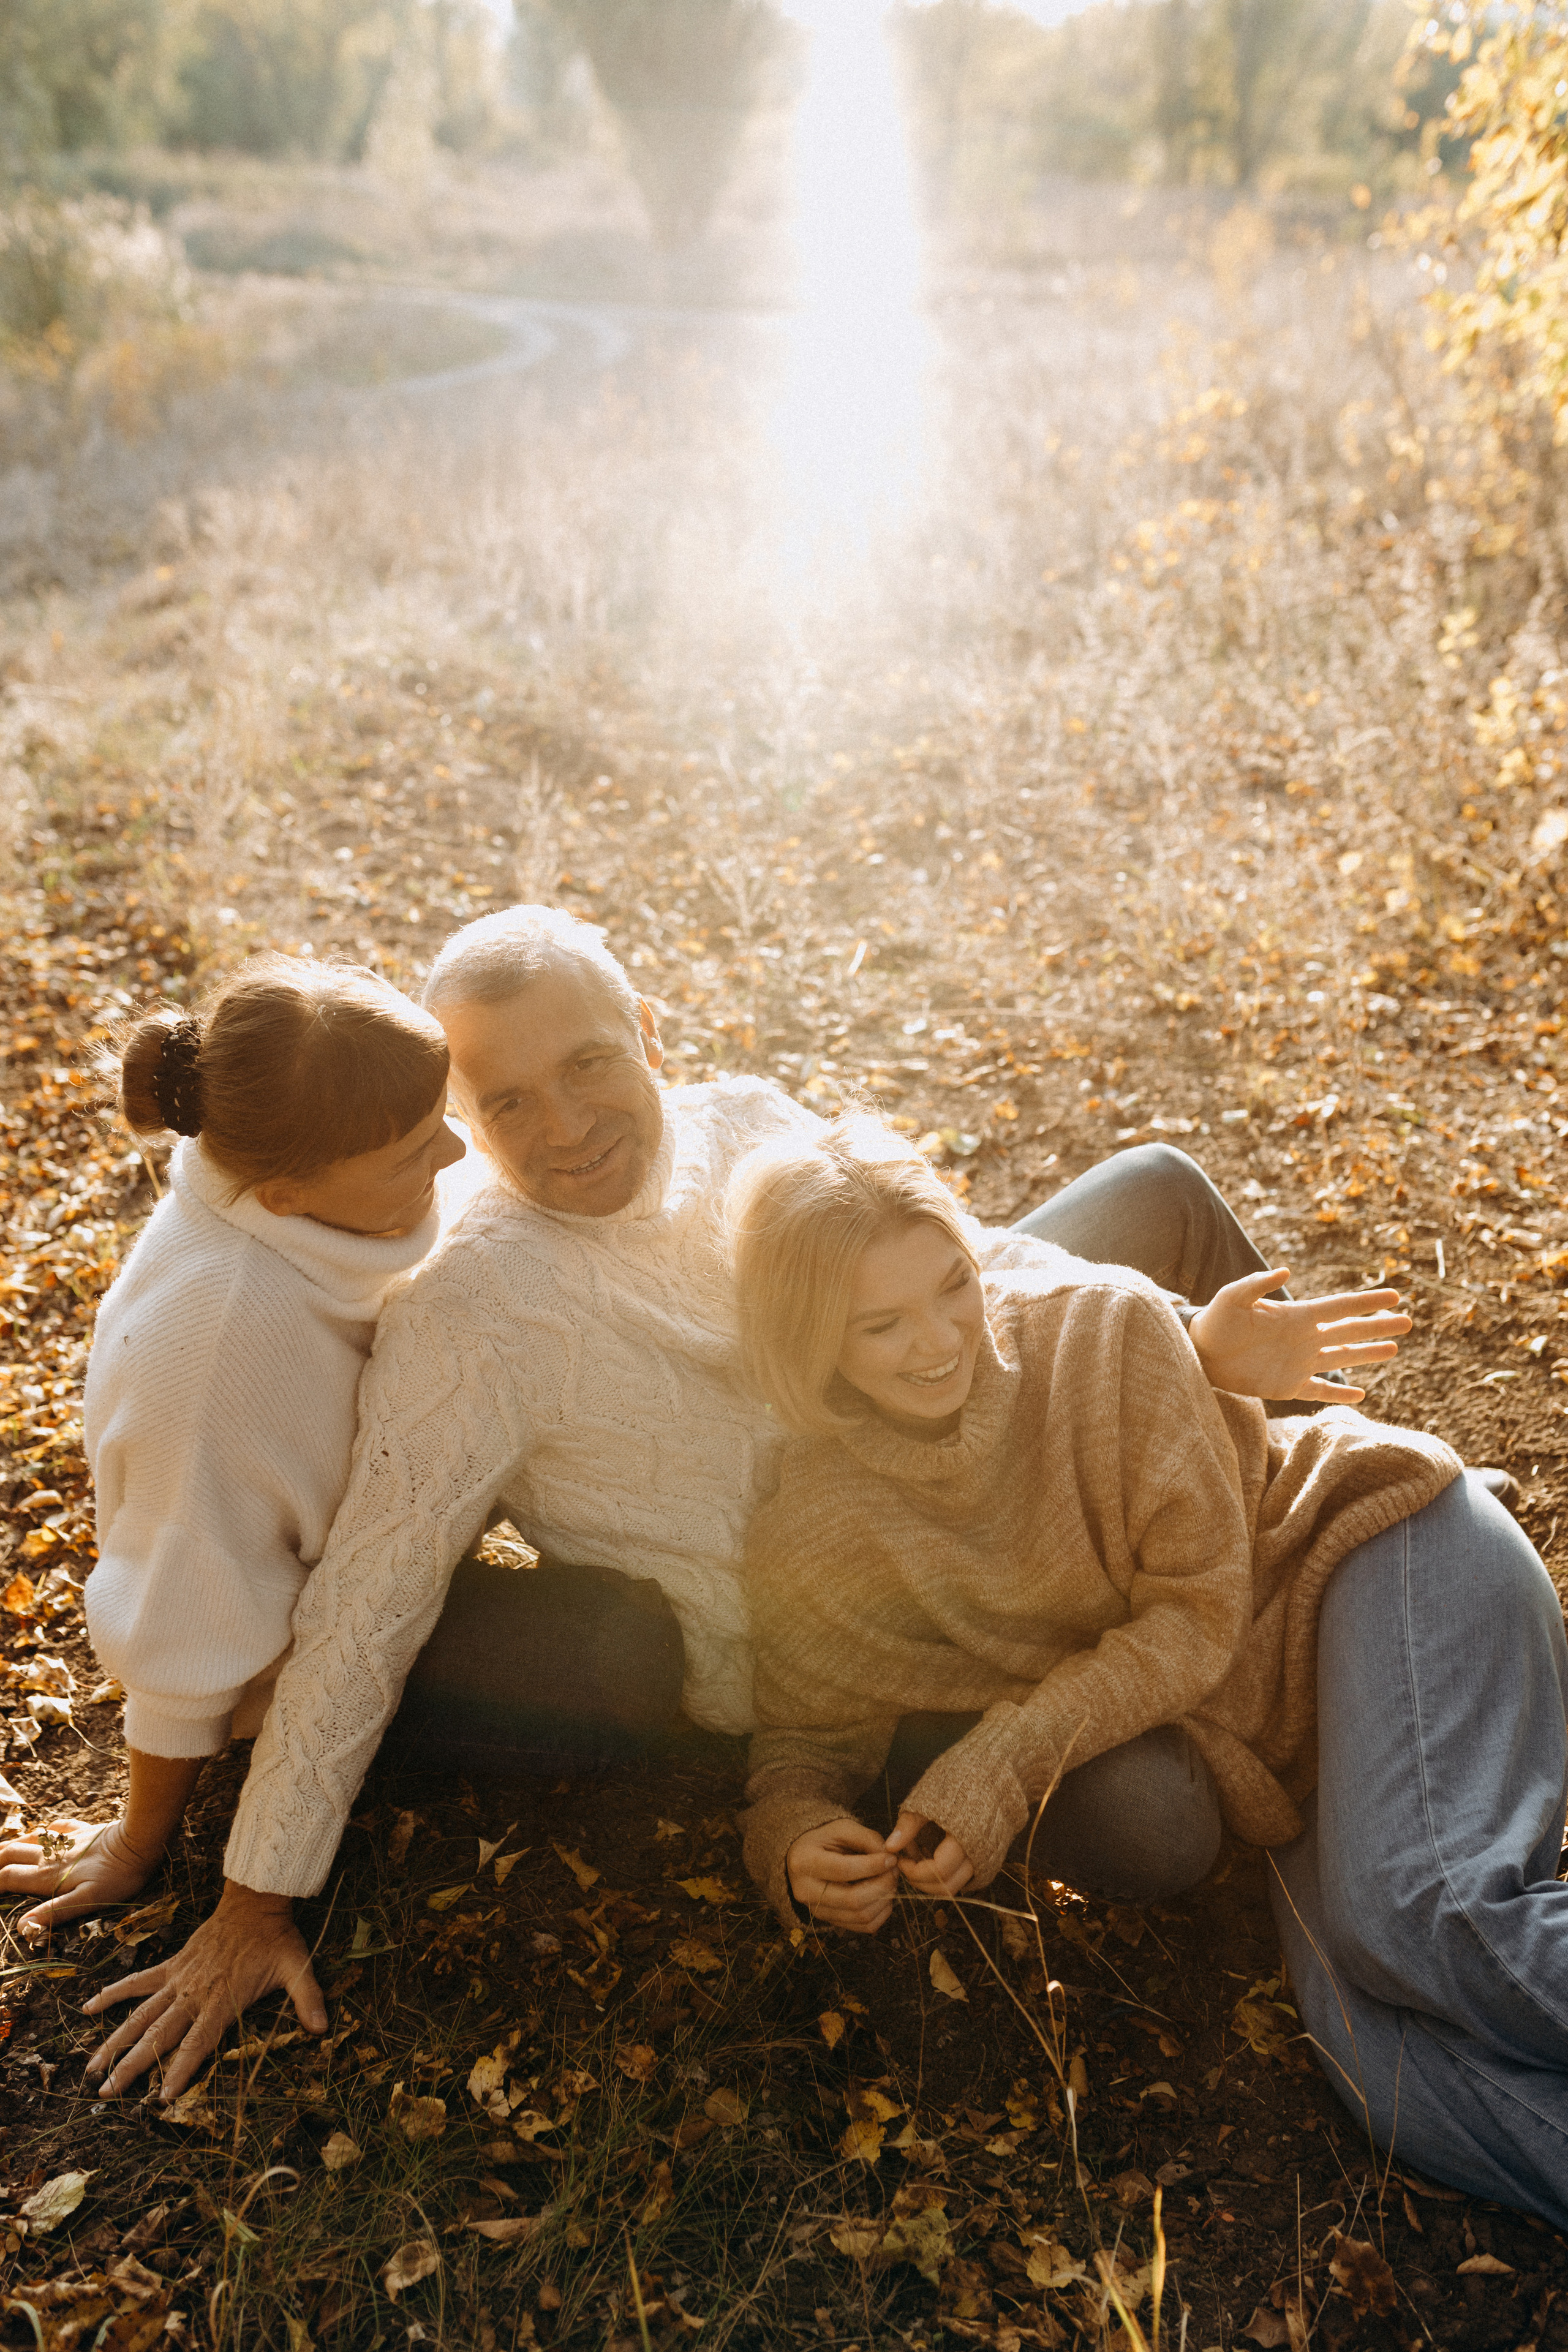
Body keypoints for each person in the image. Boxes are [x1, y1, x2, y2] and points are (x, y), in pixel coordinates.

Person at [77, 904, 1416, 2101]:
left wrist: (1182, 1342)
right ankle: (1257, 1651)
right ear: (467, 1125)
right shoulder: (472, 1315)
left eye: (589, 1065)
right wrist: (254, 1896)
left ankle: (1353, 1522)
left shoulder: (751, 1126)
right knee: (1160, 1823)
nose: (565, 1129)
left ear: (649, 1032)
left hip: (991, 1467)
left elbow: (965, 1268)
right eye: (509, 1105)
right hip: (872, 1639)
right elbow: (374, 1597)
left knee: (1159, 1194)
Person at [729, 1115, 1568, 2227]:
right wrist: (789, 1833)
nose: (940, 1342)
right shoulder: (818, 1519)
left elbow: (1195, 1618)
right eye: (880, 1324)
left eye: (952, 1287)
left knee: (1428, 1916)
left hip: (1376, 1555)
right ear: (809, 1339)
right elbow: (805, 1732)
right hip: (1284, 1746)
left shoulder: (1102, 1330)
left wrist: (1008, 1760)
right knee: (1390, 2077)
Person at [0, 957, 466, 1947]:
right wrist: (138, 1838)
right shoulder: (223, 1357)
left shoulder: (300, 1188)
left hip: (379, 1515)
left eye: (444, 1117)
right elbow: (183, 1600)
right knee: (611, 1667)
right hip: (296, 1650)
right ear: (288, 1195)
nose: (462, 1152)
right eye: (417, 1150)